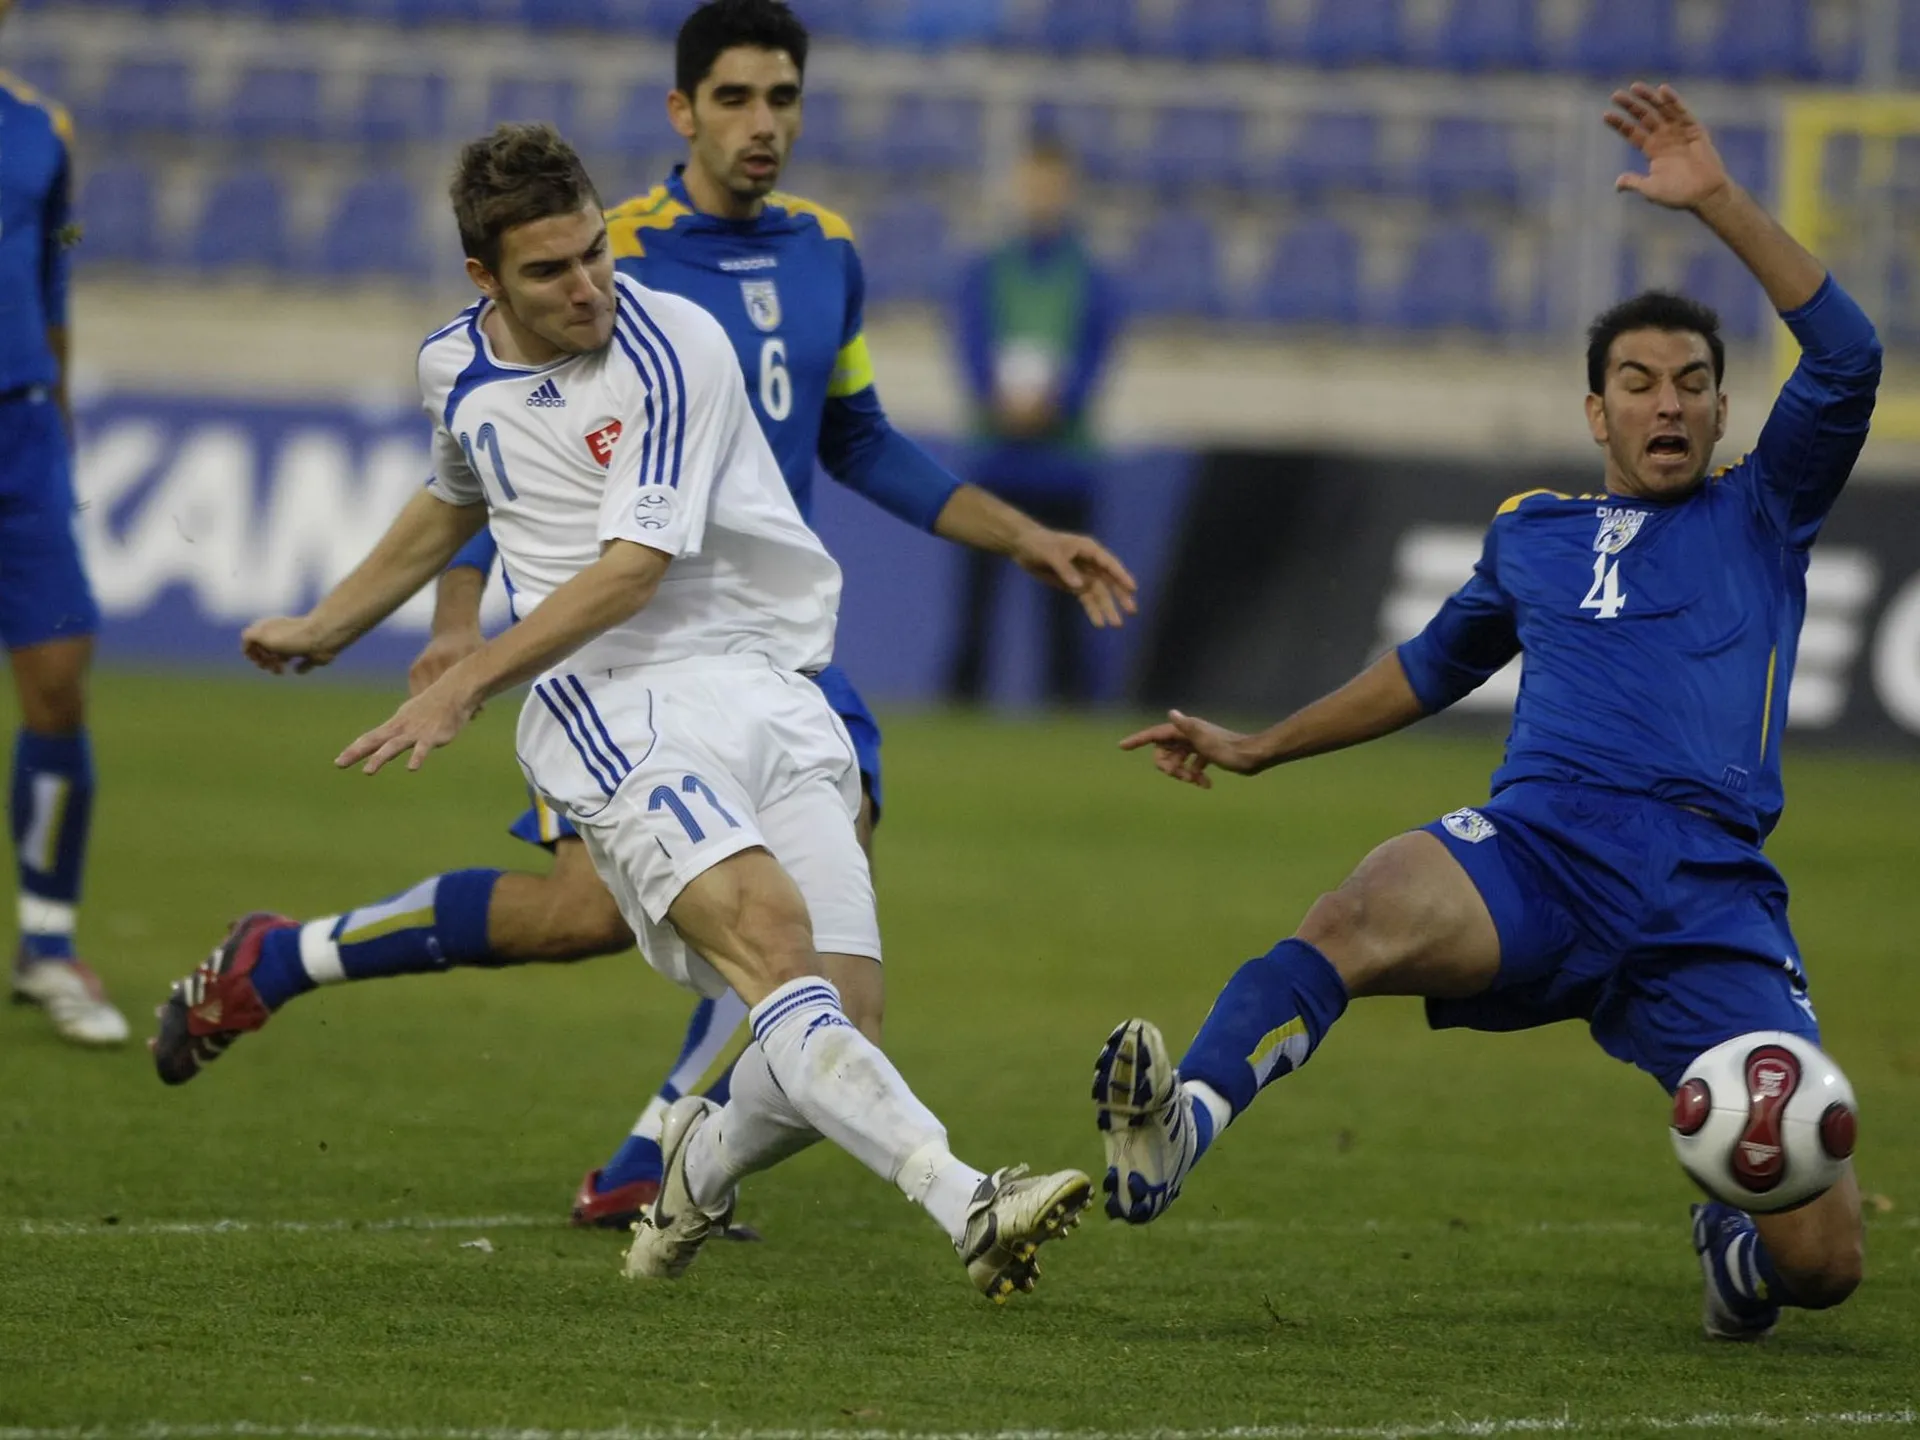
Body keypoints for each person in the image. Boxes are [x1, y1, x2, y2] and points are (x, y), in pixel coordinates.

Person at [149, 0, 1135, 1234]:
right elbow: (491, 471)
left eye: (783, 97)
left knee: (774, 931)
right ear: (682, 112)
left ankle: (651, 1149)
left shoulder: (826, 252)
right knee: (592, 916)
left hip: (765, 641)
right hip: (615, 654)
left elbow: (858, 437)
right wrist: (451, 624)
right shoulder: (614, 260)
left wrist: (1020, 533)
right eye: (735, 98)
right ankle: (340, 983)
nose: (762, 123)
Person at [1093, 85, 1878, 1342]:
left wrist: (1719, 200)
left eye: (1692, 385)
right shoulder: (1533, 535)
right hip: (1541, 852)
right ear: (1596, 412)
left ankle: (1737, 1249)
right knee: (1357, 911)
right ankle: (1183, 1120)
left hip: (1708, 894)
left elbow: (1846, 357)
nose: (1668, 405)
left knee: (1825, 1264)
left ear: (1725, 411)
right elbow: (1427, 667)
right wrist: (1263, 746)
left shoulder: (1764, 508)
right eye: (1638, 384)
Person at [0, 23, 128, 1047]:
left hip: (24, 430)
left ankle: (46, 941)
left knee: (57, 683)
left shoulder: (44, 128)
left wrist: (62, 417)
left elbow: (54, 280)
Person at [947, 136, 1123, 706]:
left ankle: (1068, 707)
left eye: (1051, 184)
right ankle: (963, 703)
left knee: (1066, 605)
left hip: (1063, 464)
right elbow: (969, 344)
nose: (1041, 195)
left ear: (1068, 190)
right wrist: (996, 400)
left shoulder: (1090, 276)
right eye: (1032, 183)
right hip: (995, 461)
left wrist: (1055, 405)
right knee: (976, 605)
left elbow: (1096, 354)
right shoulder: (986, 270)